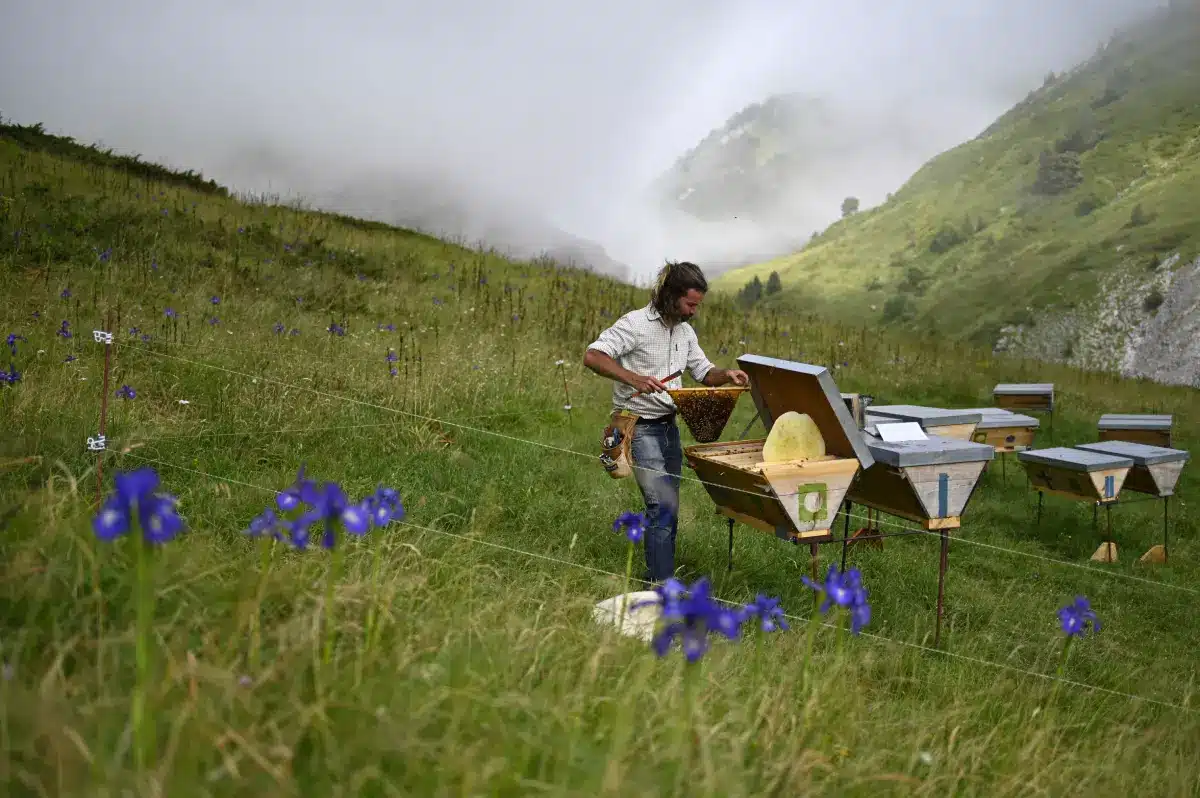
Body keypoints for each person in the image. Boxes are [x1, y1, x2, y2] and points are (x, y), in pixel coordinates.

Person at [583, 261, 749, 585]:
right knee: (660, 506)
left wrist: (726, 374)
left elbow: (704, 372)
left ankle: (661, 578)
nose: (693, 312)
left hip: (669, 427)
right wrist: (633, 378)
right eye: (690, 304)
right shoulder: (634, 324)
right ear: (671, 295)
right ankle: (660, 587)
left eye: (697, 305)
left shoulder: (685, 332)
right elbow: (593, 356)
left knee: (669, 506)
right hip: (639, 426)